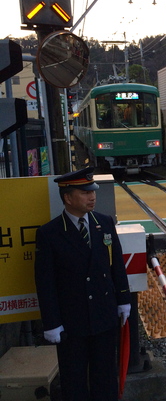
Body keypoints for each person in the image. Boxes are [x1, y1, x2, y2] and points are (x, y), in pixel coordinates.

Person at [34, 167, 131, 401]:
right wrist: (52, 323)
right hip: (72, 322)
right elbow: (45, 282)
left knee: (105, 377)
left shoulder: (104, 223)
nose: (92, 196)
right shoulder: (50, 233)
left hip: (103, 315)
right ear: (67, 198)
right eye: (85, 192)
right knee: (74, 379)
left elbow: (116, 265)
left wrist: (124, 300)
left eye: (93, 191)